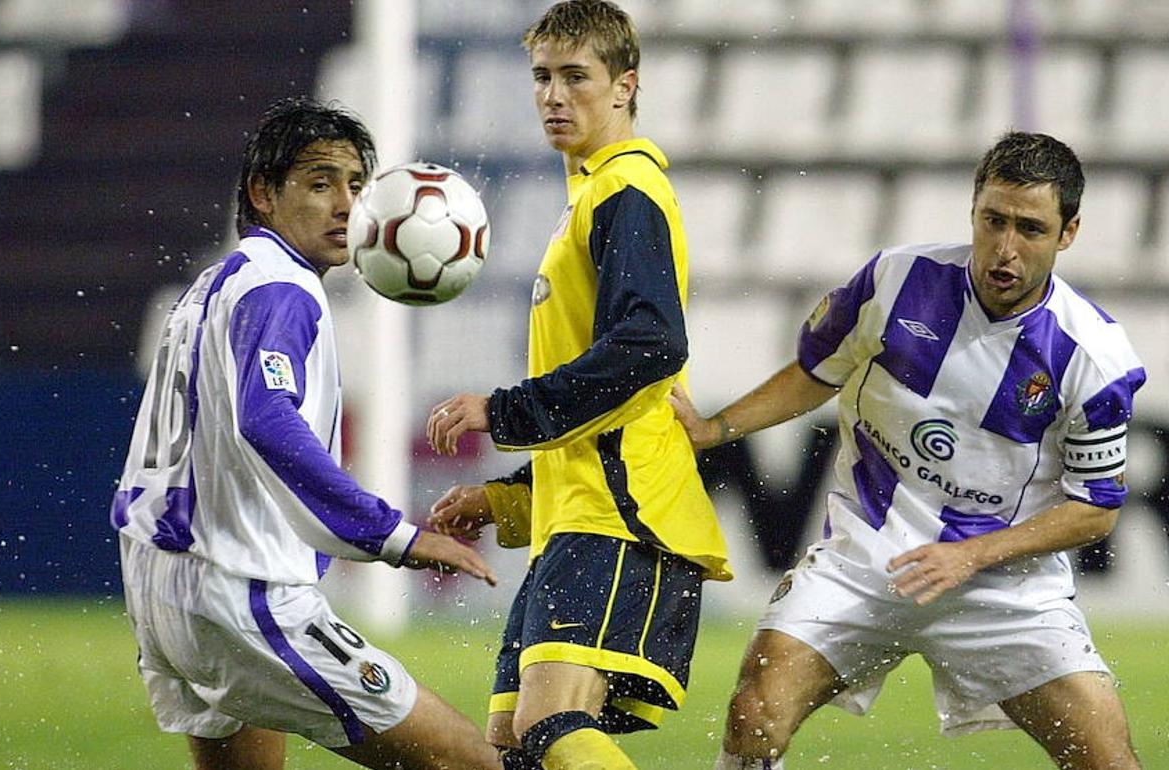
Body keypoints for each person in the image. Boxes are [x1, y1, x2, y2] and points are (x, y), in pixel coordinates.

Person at [669, 131, 1146, 770]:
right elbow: (817, 372)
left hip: (1003, 587)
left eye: (1030, 229)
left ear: (1069, 233)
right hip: (866, 558)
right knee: (755, 711)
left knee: (1108, 762)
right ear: (972, 210)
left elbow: (1095, 511)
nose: (1005, 249)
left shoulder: (1095, 357)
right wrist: (716, 428)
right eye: (993, 221)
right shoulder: (896, 280)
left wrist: (970, 555)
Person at [110, 97, 503, 770]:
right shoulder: (281, 287)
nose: (347, 206)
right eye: (321, 184)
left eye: (357, 185)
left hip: (162, 581)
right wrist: (395, 536)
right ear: (263, 194)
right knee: (468, 763)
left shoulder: (214, 284)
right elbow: (267, 420)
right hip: (241, 591)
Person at [424, 2, 732, 768]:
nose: (554, 96)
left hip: (622, 520)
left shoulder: (628, 191)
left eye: (576, 77)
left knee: (548, 724)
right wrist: (507, 499)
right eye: (542, 77)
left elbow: (650, 345)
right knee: (515, 745)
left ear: (625, 85)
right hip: (580, 516)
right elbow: (604, 409)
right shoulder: (590, 197)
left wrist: (503, 411)